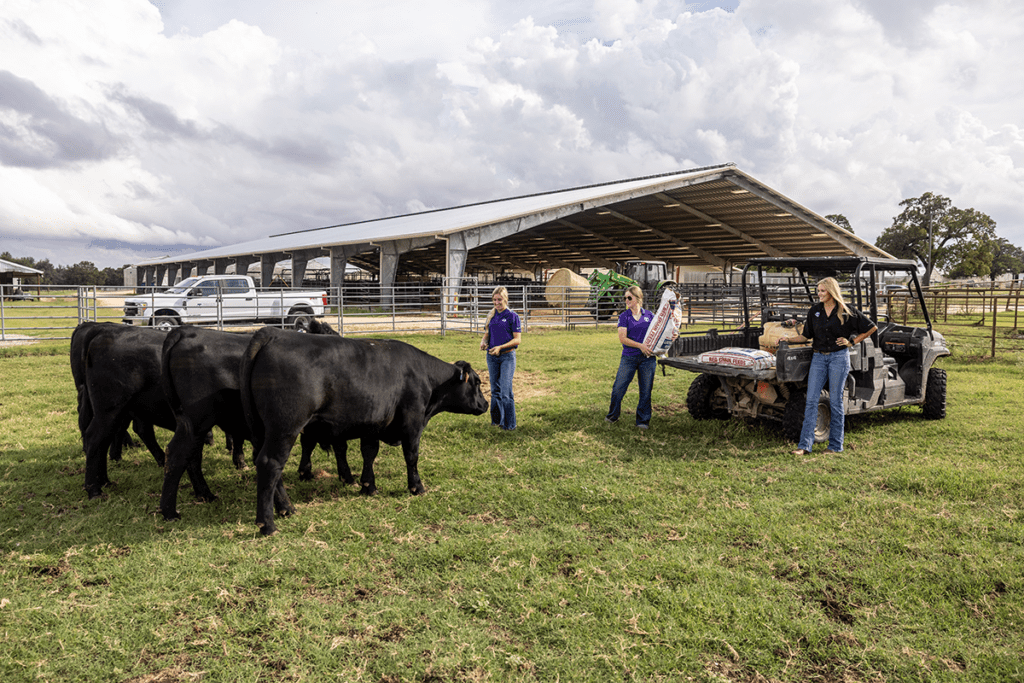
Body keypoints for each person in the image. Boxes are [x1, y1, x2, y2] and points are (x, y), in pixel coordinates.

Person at [787, 277, 878, 455]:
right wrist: (787, 339)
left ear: (831, 292)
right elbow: (806, 336)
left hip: (838, 358)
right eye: (818, 291)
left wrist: (852, 342)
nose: (819, 294)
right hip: (818, 358)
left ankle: (835, 446)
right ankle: (804, 446)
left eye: (822, 291)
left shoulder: (846, 311)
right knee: (811, 400)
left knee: (836, 402)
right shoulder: (814, 311)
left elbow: (871, 327)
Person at [606, 285, 672, 430]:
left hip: (647, 359)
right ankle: (612, 416)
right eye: (625, 298)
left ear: (638, 298)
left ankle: (643, 420)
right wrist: (640, 346)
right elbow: (622, 338)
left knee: (646, 390)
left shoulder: (650, 315)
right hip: (628, 358)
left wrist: (671, 334)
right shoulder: (624, 316)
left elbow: (659, 333)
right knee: (618, 388)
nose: (626, 300)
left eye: (629, 297)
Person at [479, 286, 521, 431]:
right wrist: (484, 341)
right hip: (492, 356)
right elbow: (487, 333)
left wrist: (500, 348)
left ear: (505, 299)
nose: (496, 302)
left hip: (507, 357)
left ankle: (510, 424)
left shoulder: (512, 316)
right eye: (494, 300)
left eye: (499, 299)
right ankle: (496, 421)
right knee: (495, 390)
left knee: (505, 391)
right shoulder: (491, 315)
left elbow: (517, 340)